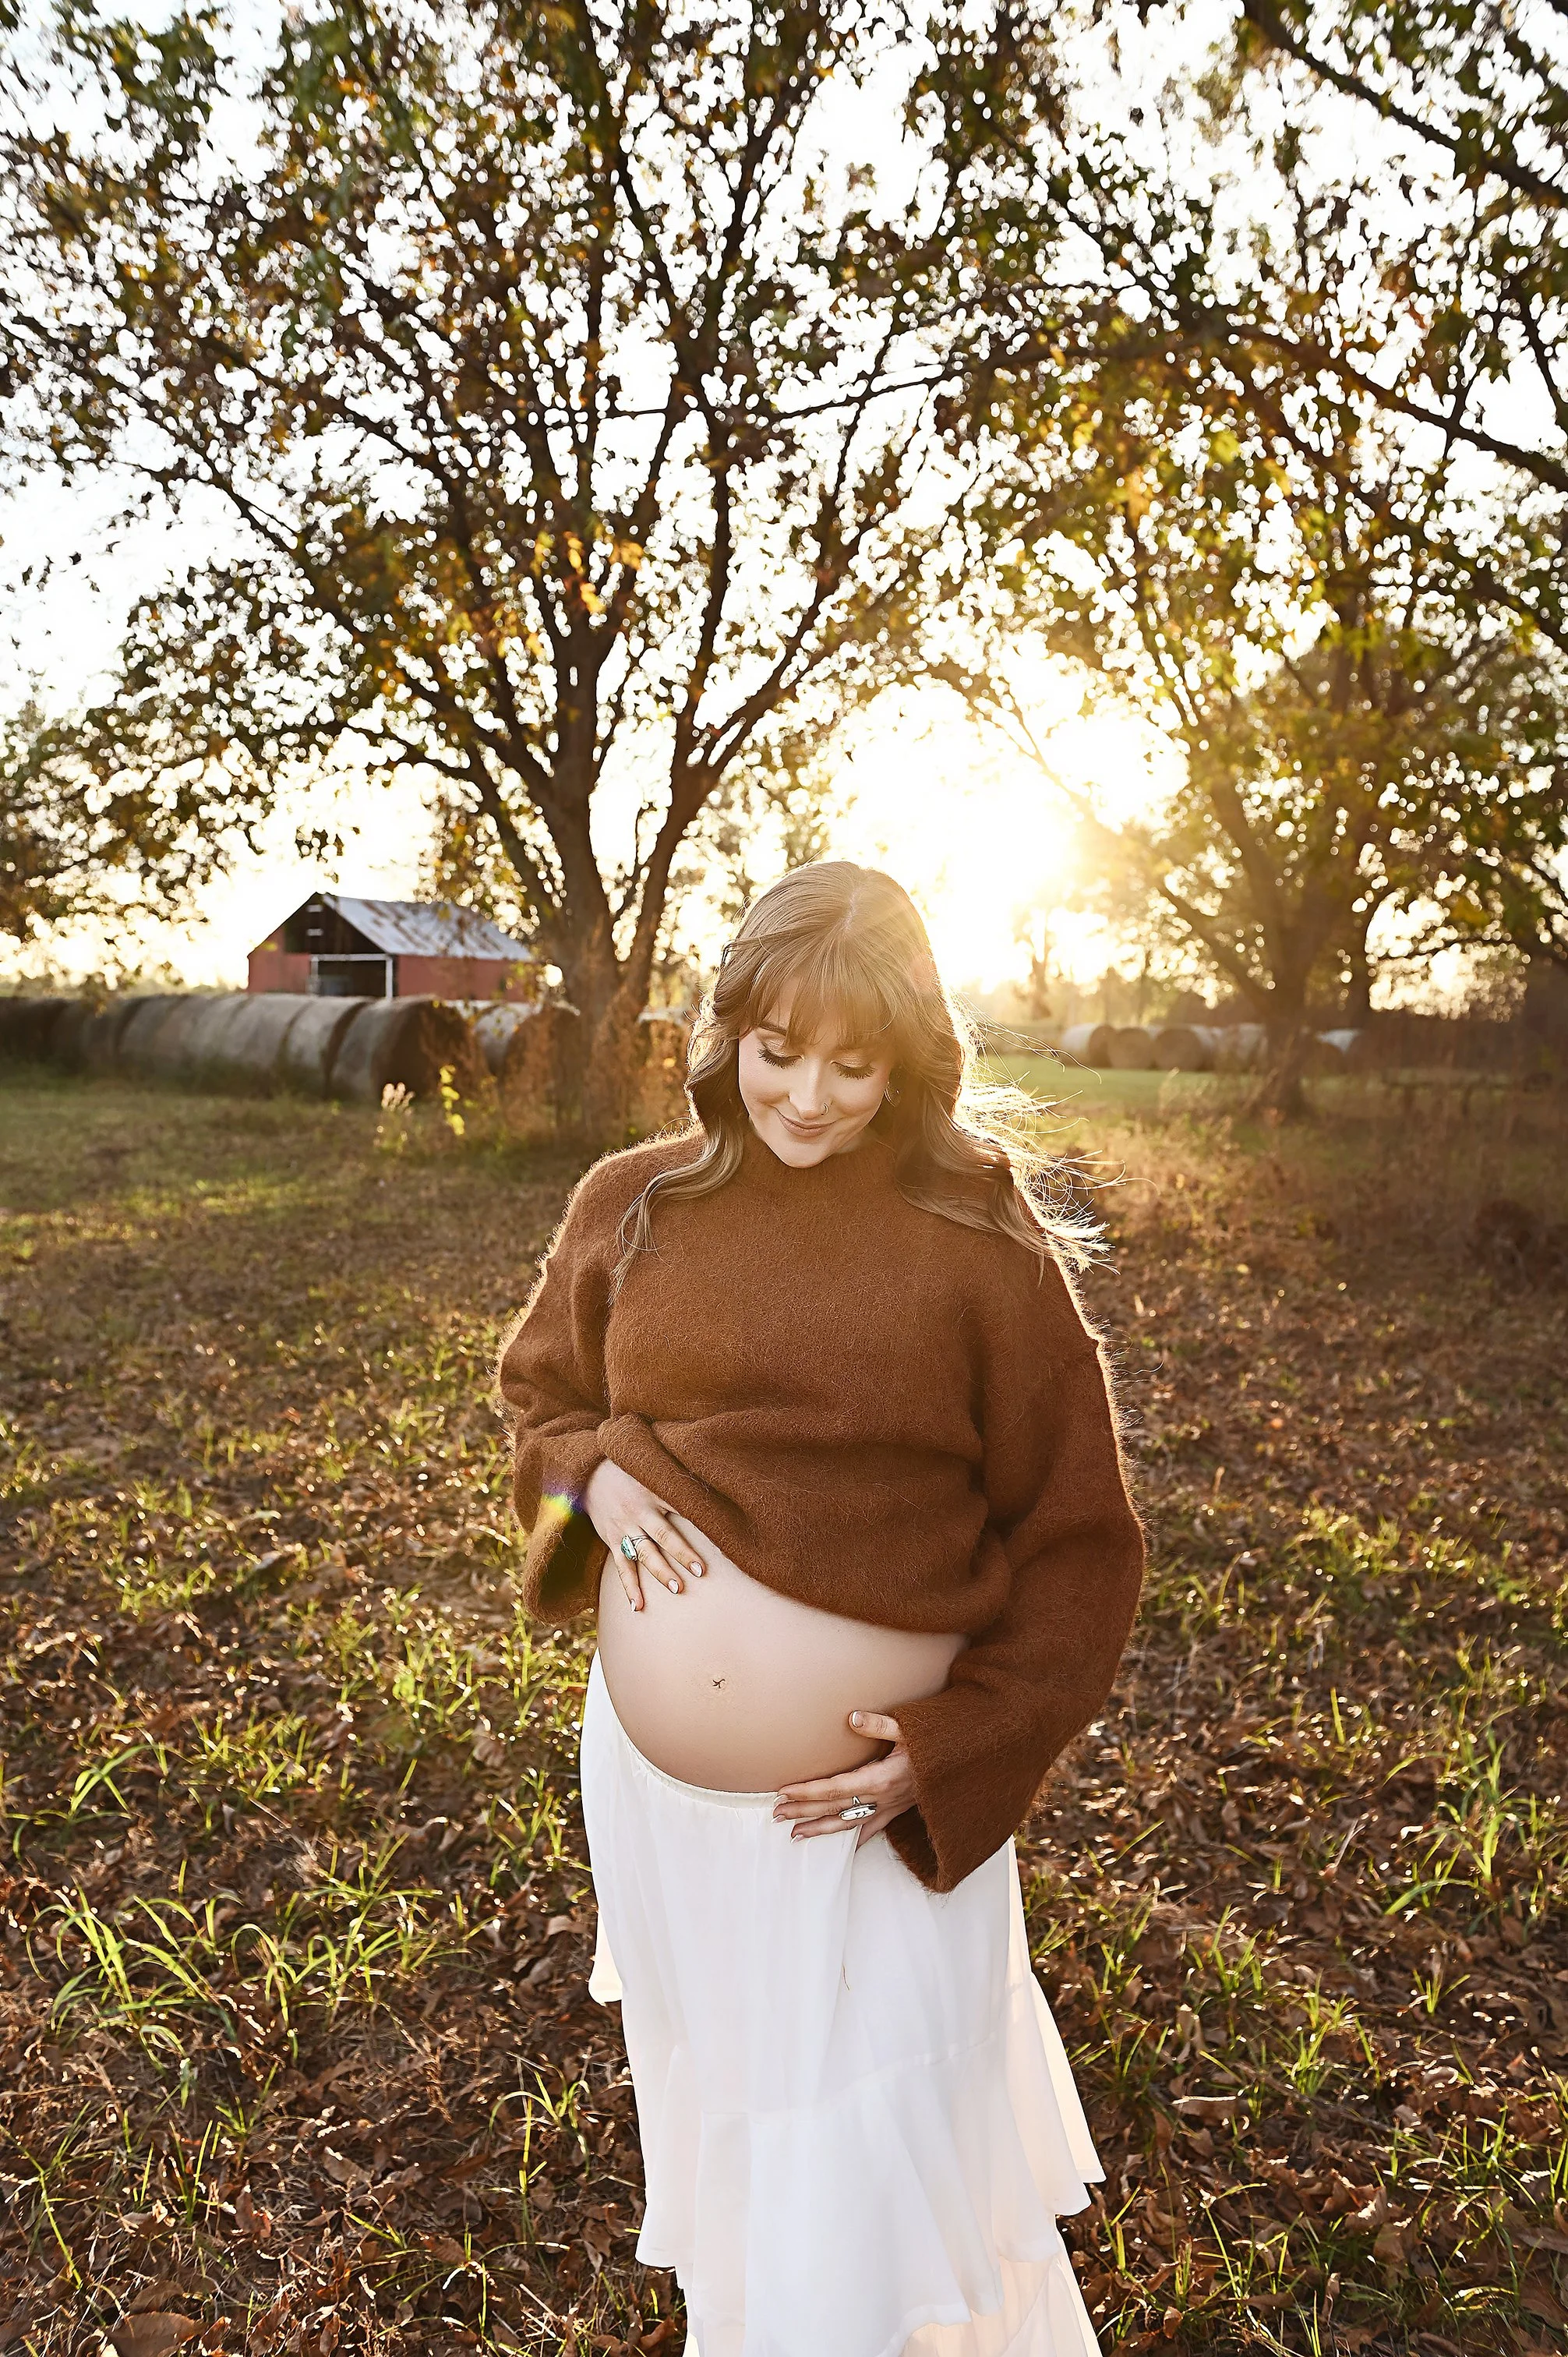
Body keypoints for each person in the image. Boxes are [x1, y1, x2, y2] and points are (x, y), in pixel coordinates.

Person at [497, 862, 1145, 2357]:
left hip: (872, 1811)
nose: (806, 1096)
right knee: (749, 2153)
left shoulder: (974, 1233)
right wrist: (586, 1481)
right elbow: (540, 1404)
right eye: (778, 1051)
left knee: (874, 2173)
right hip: (670, 1815)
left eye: (856, 1067)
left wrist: (960, 1749)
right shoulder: (631, 1205)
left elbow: (1081, 1544)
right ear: (726, 1030)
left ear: (910, 1059)